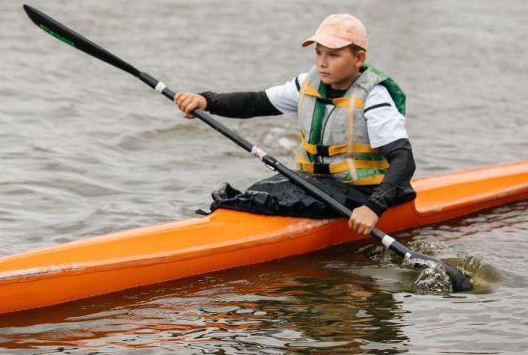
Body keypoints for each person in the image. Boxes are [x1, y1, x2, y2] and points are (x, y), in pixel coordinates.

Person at [173, 14, 416, 236]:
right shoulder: (308, 83)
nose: (322, 63)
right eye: (319, 53)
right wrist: (206, 100)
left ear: (358, 58)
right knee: (258, 192)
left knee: (266, 198)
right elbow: (257, 102)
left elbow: (404, 160)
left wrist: (373, 208)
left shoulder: (375, 97)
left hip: (365, 193)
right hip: (322, 186)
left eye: (333, 55)